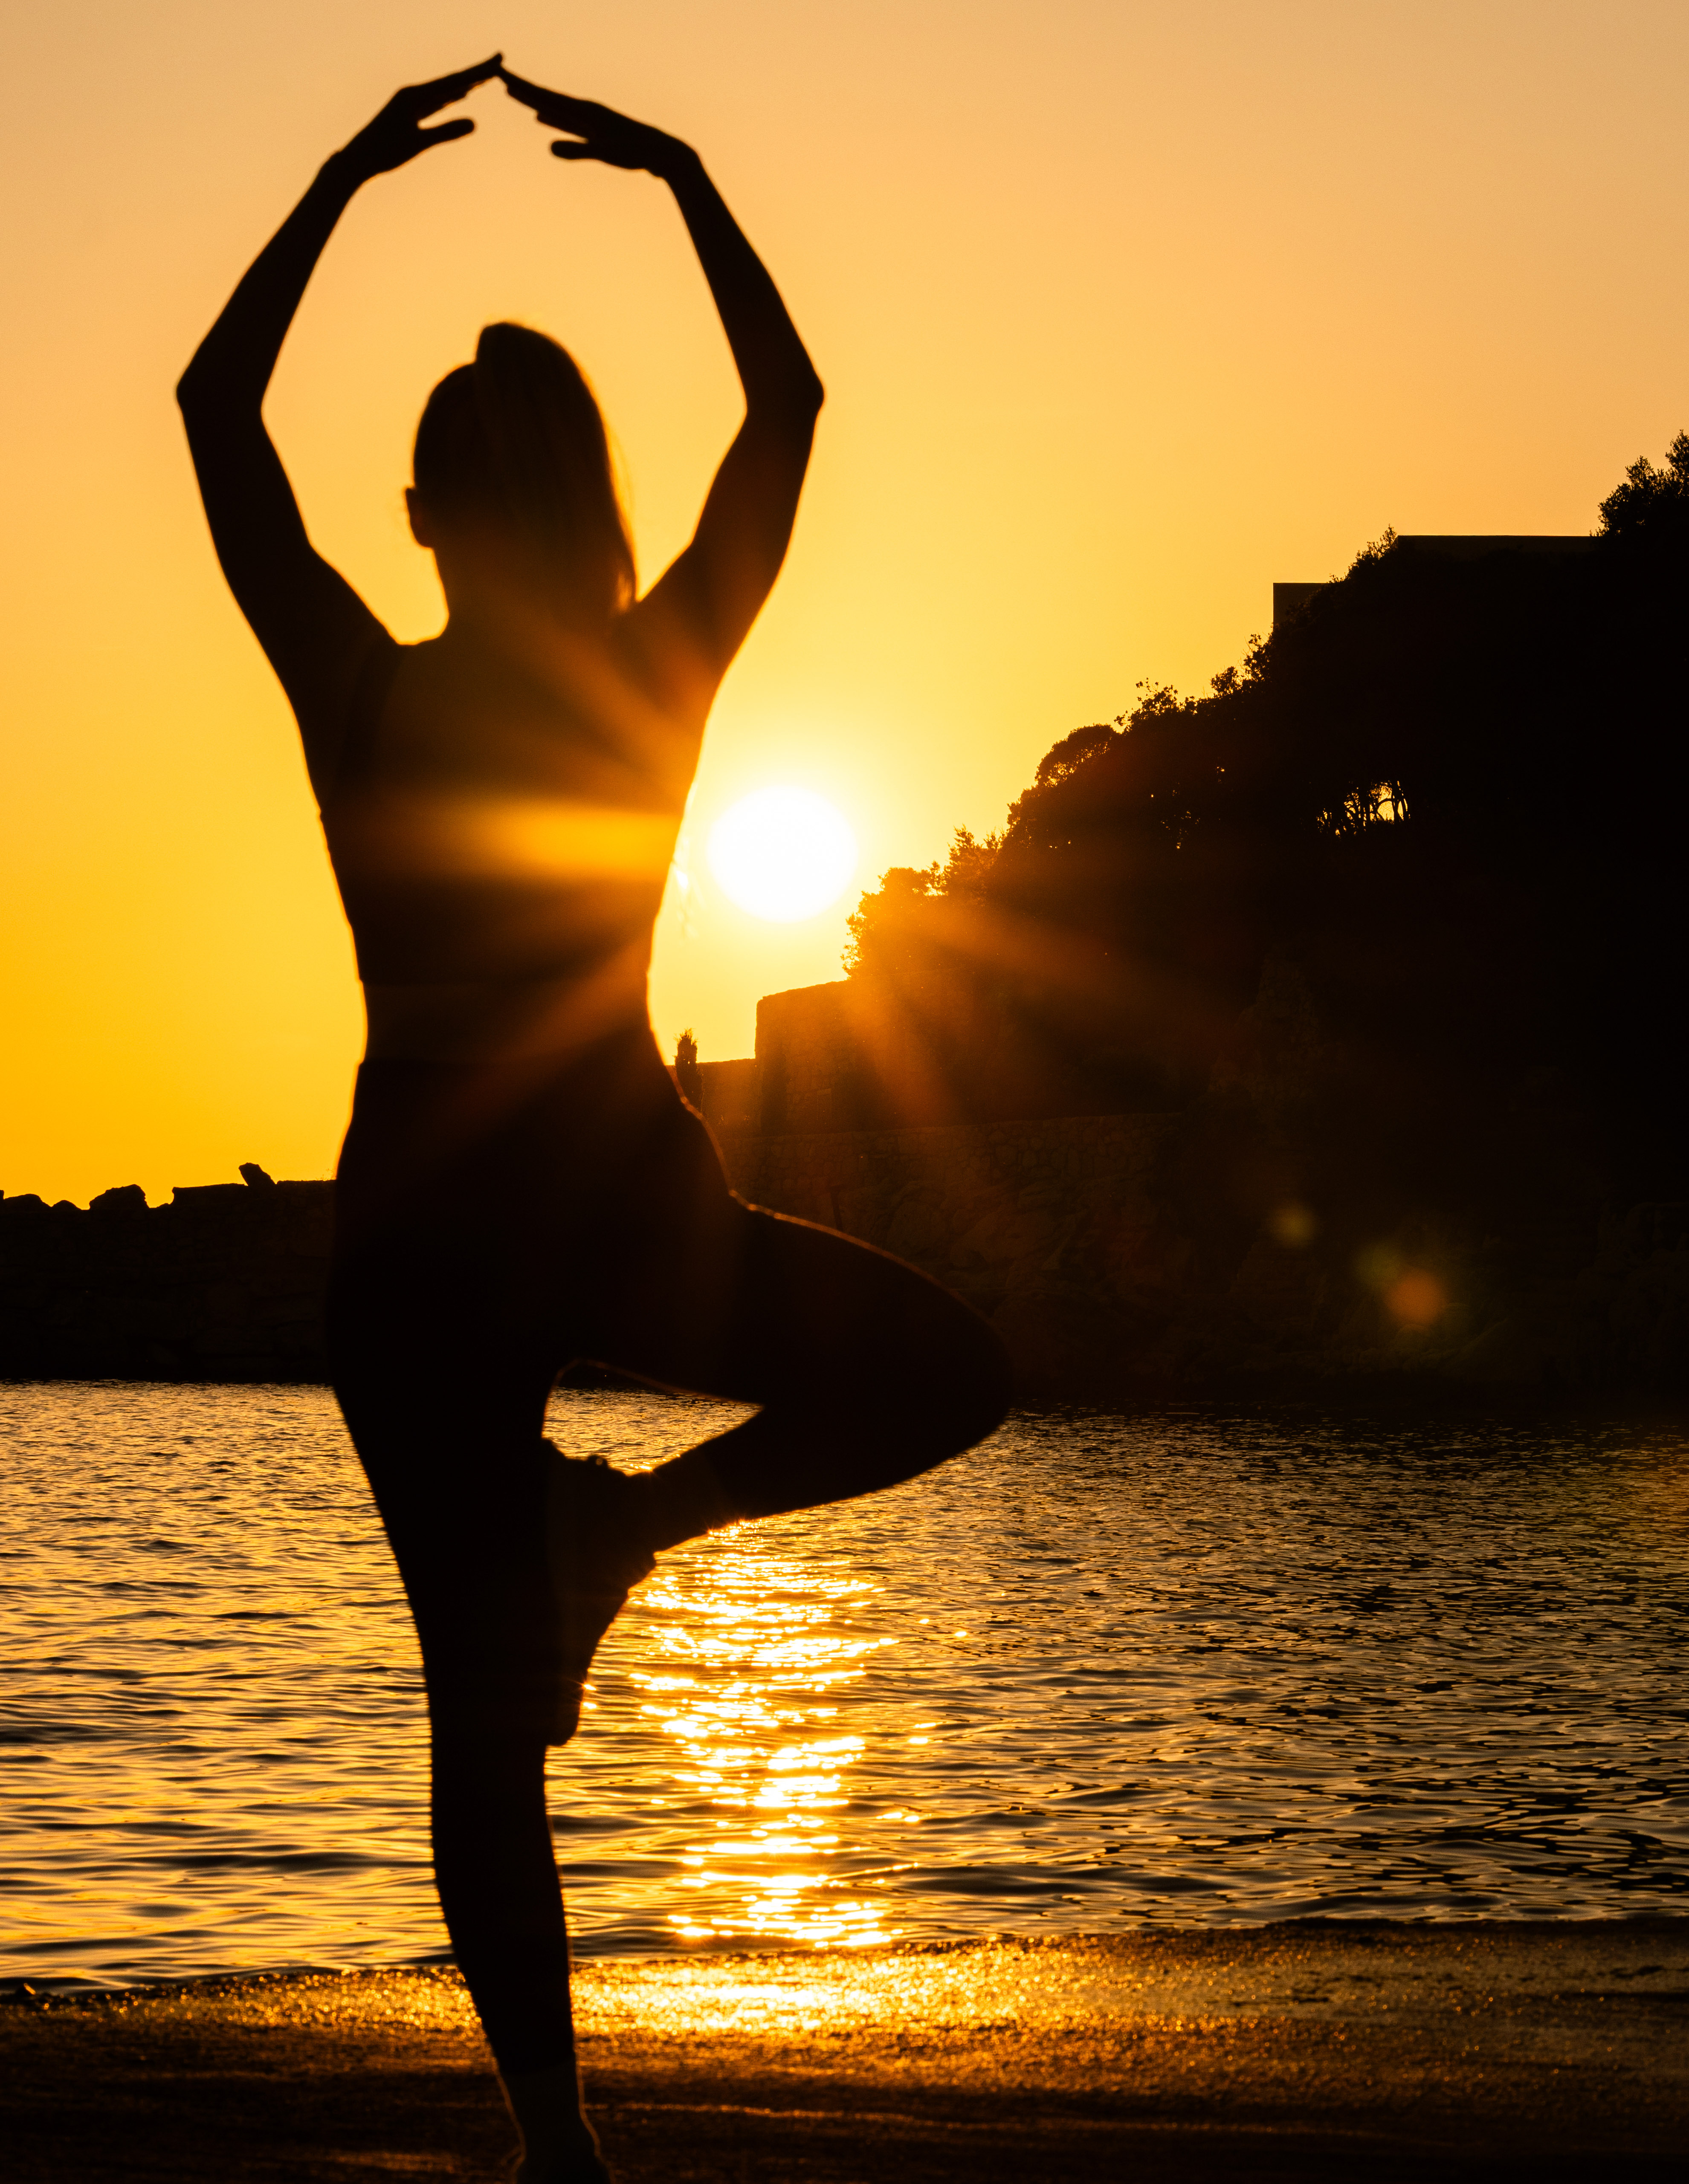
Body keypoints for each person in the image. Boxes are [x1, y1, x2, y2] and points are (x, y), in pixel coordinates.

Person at [177, 59, 1009, 2184]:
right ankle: (623, 1533)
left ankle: (561, 2147)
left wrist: (337, 184)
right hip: (607, 1184)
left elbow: (213, 413)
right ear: (583, 510)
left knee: (481, 1705)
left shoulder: (359, 688)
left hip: (433, 1206)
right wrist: (695, 185)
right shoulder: (654, 675)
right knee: (942, 1375)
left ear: (439, 515)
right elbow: (790, 412)